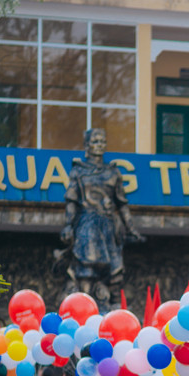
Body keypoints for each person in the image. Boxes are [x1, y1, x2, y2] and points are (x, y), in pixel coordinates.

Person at [59, 127, 144, 309]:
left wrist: (131, 227)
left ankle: (114, 311)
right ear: (87, 145)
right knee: (86, 270)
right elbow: (72, 201)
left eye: (102, 141)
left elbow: (121, 203)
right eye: (95, 141)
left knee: (115, 273)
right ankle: (84, 308)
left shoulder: (113, 172)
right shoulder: (79, 171)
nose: (100, 145)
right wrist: (68, 226)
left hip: (108, 226)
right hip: (87, 224)